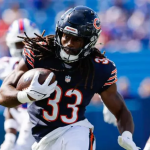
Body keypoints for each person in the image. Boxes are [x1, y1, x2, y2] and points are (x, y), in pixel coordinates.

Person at [0, 6, 139, 150]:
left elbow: (121, 109)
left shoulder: (98, 67)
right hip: (42, 139)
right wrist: (25, 95)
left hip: (75, 129)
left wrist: (127, 135)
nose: (68, 43)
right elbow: (3, 93)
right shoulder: (41, 54)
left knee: (78, 136)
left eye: (76, 39)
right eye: (66, 35)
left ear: (89, 42)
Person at [0, 18, 41, 150]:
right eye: (19, 44)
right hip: (20, 117)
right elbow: (9, 105)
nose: (24, 48)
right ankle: (10, 139)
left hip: (41, 119)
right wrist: (9, 138)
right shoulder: (6, 64)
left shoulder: (43, 64)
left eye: (27, 43)